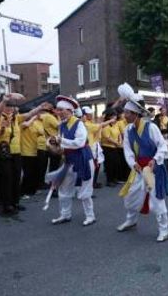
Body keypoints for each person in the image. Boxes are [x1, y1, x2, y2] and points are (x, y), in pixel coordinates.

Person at [117, 94, 168, 242]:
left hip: (153, 168)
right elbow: (127, 149)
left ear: (135, 114)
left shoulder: (151, 127)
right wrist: (132, 163)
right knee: (131, 196)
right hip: (138, 168)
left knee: (156, 200)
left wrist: (154, 160)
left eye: (127, 113)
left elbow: (162, 145)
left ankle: (164, 229)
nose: (124, 115)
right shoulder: (128, 130)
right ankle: (131, 220)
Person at [45, 96, 96, 226]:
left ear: (69, 110)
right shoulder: (61, 125)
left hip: (83, 159)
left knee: (85, 189)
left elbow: (79, 142)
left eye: (61, 110)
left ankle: (90, 216)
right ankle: (65, 214)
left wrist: (61, 141)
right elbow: (63, 144)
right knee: (64, 189)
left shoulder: (79, 124)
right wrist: (56, 148)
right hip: (69, 160)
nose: (59, 112)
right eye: (57, 110)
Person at [101, 109, 122, 187]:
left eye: (115, 115)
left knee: (116, 163)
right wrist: (117, 143)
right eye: (113, 116)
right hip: (107, 147)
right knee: (109, 165)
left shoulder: (115, 125)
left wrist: (119, 140)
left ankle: (114, 179)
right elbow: (107, 137)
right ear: (108, 117)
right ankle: (109, 181)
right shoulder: (106, 126)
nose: (115, 117)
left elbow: (119, 133)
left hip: (115, 147)